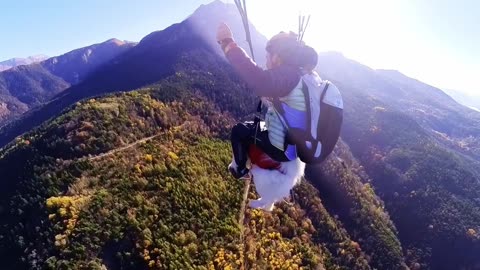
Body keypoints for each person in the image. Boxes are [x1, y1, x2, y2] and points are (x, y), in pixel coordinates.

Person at [216, 23, 319, 179]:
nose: (266, 61)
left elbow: (261, 81)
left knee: (239, 130)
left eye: (267, 56)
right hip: (292, 143)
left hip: (283, 147)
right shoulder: (300, 77)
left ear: (277, 56)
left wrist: (228, 44)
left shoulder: (289, 75)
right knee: (250, 128)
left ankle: (239, 170)